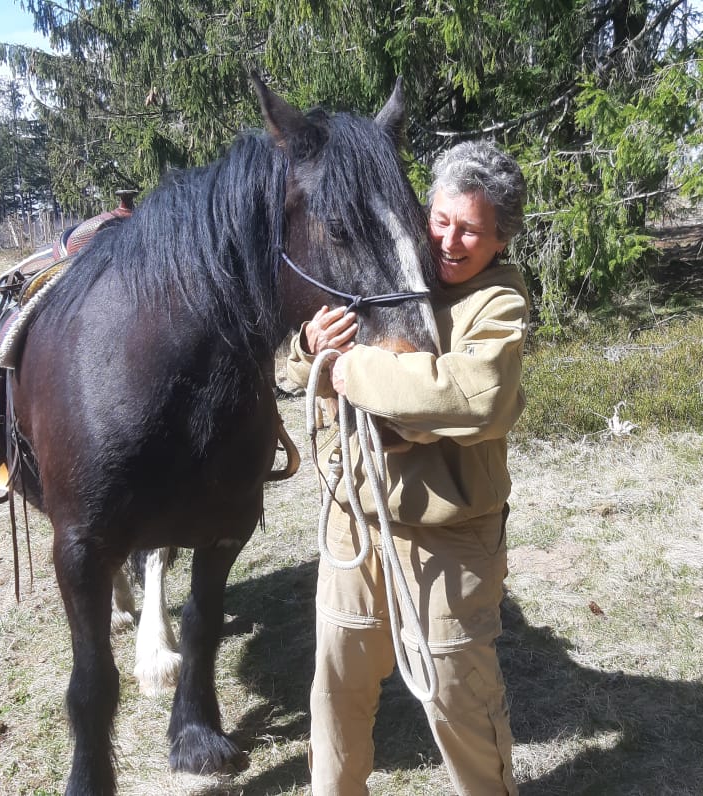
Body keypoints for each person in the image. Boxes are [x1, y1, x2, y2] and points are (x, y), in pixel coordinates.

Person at [286, 140, 529, 795]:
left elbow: (473, 397)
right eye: (442, 220)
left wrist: (349, 369)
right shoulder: (386, 267)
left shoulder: (497, 304)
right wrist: (310, 349)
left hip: (447, 536)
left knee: (460, 697)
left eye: (472, 230)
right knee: (336, 687)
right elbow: (305, 366)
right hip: (355, 521)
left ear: (499, 238)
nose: (450, 240)